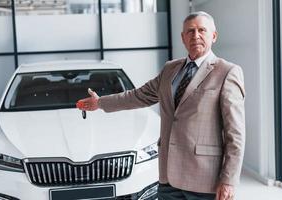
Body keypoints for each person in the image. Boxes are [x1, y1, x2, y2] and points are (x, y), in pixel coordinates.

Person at [78, 11, 245, 200]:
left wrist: (229, 180)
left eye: (201, 30)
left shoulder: (227, 72)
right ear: (183, 37)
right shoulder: (170, 69)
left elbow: (235, 134)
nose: (195, 35)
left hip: (204, 179)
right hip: (169, 177)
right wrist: (100, 103)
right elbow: (137, 96)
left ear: (213, 36)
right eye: (190, 31)